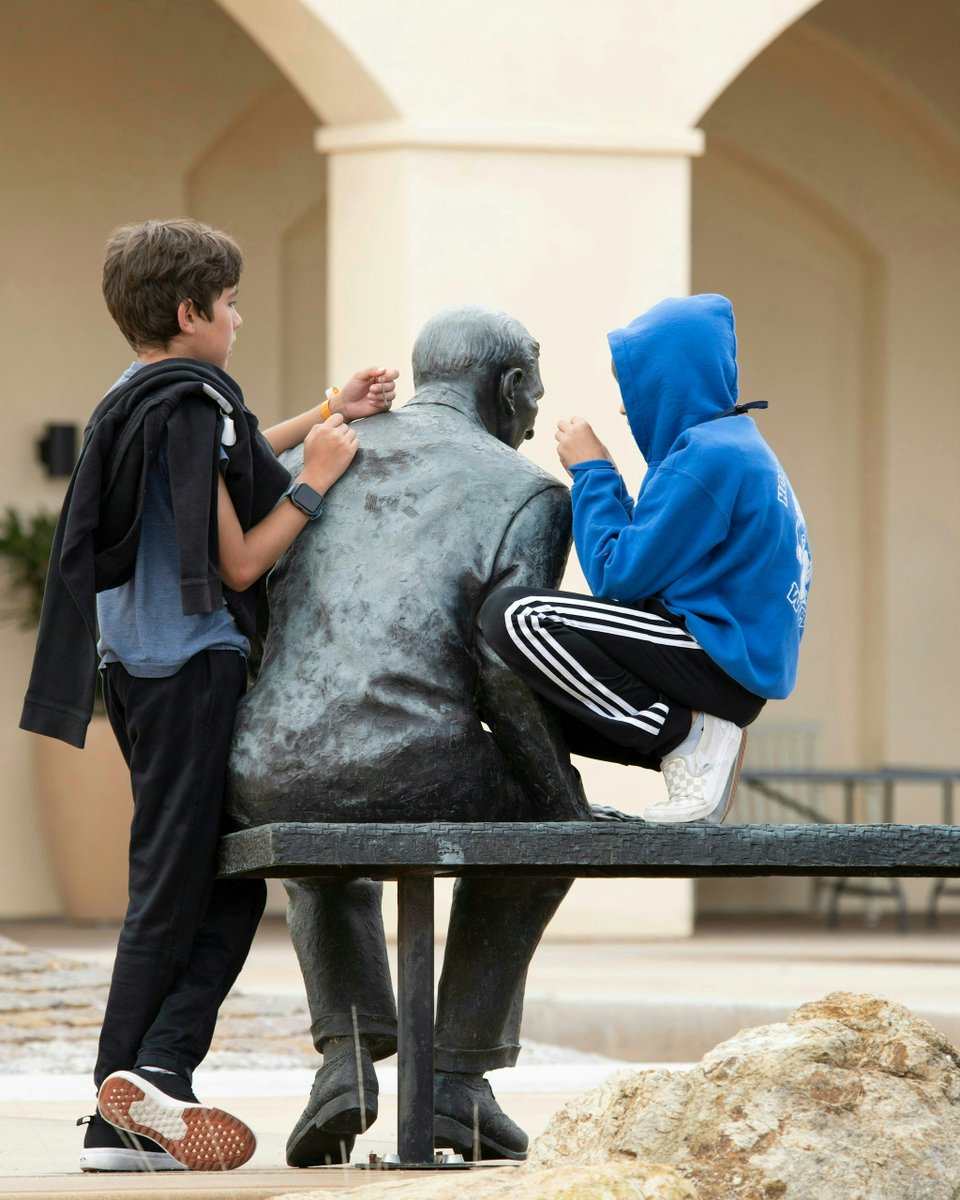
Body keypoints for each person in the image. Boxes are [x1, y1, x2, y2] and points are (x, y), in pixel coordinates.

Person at [19, 218, 397, 1172]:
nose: (238, 319)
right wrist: (315, 483)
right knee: (184, 889)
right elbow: (235, 557)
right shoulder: (191, 404)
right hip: (191, 672)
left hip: (139, 676)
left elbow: (214, 475)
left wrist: (318, 414)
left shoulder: (145, 395)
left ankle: (145, 1092)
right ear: (191, 312)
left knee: (212, 882)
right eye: (228, 306)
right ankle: (128, 1101)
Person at [226, 304, 592, 1165]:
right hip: (419, 758)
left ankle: (346, 1059)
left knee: (321, 809)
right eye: (534, 385)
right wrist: (562, 796)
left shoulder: (312, 453)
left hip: (269, 763)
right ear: (509, 385)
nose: (537, 407)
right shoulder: (528, 490)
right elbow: (508, 667)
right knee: (544, 829)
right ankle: (458, 1085)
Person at [480, 293, 812, 824]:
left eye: (632, 386)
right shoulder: (735, 448)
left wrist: (593, 474)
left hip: (710, 659)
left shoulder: (710, 456)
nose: (623, 405)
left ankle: (689, 738)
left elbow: (618, 576)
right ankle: (691, 744)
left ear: (670, 381)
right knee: (515, 695)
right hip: (724, 667)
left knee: (516, 618)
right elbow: (653, 561)